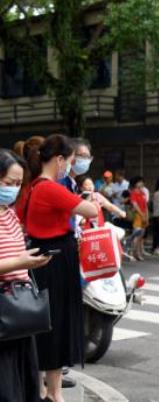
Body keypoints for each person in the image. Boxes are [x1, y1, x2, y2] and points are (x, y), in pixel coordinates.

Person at [16, 135, 99, 402]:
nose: (72, 166)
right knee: (55, 325)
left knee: (50, 325)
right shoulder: (49, 188)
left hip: (48, 260)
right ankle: (51, 392)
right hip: (54, 262)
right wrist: (92, 199)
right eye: (71, 160)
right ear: (60, 159)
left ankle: (50, 390)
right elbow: (91, 211)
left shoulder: (36, 187)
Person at [0, 149, 51, 402]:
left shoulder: (9, 213)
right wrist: (19, 262)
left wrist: (29, 260)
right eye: (9, 183)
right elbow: (13, 260)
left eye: (18, 184)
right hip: (3, 309)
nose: (13, 189)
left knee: (24, 380)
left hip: (19, 308)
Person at [128, 177, 149, 261]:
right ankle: (132, 253)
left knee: (141, 236)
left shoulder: (143, 193)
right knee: (136, 235)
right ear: (135, 183)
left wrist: (146, 216)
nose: (141, 183)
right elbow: (135, 205)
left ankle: (138, 253)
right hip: (137, 216)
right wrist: (142, 214)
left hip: (144, 215)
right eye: (139, 182)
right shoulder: (133, 193)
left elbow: (145, 205)